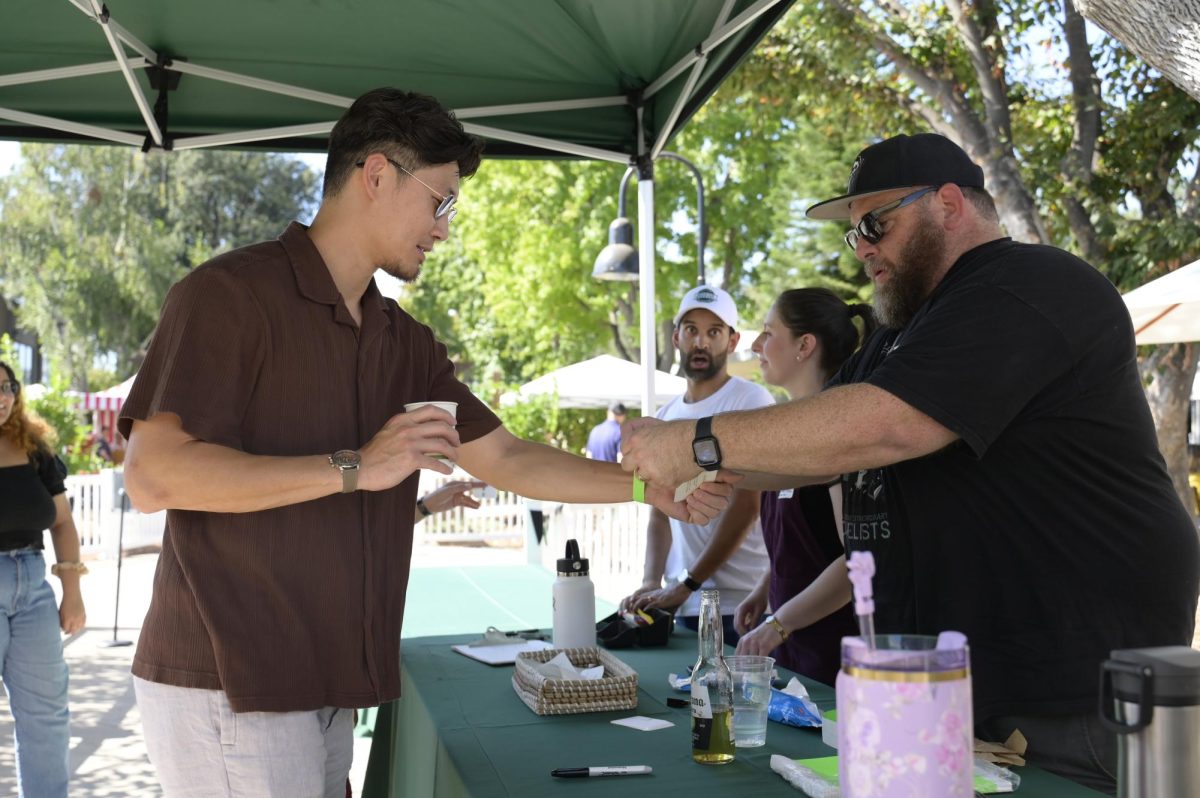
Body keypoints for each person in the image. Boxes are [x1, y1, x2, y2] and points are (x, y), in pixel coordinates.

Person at [118, 88, 730, 798]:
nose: (445, 229)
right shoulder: (227, 295)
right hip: (226, 680)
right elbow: (154, 477)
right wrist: (355, 466)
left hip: (327, 678)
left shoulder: (401, 341)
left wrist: (639, 488)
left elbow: (506, 457)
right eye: (440, 202)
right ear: (376, 176)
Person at [619, 133, 1200, 794]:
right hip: (952, 690)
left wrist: (696, 442)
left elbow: (883, 427)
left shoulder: (1030, 288)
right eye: (853, 232)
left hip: (1071, 692)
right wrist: (679, 474)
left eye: (875, 223)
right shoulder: (904, 335)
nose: (862, 245)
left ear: (949, 204)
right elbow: (813, 451)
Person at [733, 288, 874, 684]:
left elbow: (854, 562)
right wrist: (766, 587)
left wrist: (779, 623)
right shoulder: (794, 436)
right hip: (792, 653)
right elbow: (804, 541)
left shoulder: (839, 437)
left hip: (834, 663)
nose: (757, 344)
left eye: (768, 332)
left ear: (805, 346)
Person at [618, 285, 773, 645]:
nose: (701, 342)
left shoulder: (751, 401)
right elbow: (659, 510)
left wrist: (688, 583)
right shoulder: (666, 416)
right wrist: (650, 582)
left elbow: (747, 507)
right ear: (676, 337)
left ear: (732, 341)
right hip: (684, 605)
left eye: (714, 332)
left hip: (743, 604)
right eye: (691, 330)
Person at [0, 361, 87, 798]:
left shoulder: (34, 448)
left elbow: (63, 522)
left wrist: (72, 593)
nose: (1, 397)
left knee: (47, 715)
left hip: (33, 588)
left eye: (6, 387)